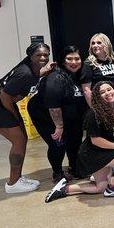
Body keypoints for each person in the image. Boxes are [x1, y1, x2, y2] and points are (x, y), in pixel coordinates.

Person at [45, 81, 114, 202]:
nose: (107, 93)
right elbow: (96, 141)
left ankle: (65, 189)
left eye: (109, 89)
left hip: (105, 152)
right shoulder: (94, 114)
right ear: (97, 97)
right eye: (102, 92)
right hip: (93, 155)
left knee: (100, 187)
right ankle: (113, 187)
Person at [0, 43, 55, 193]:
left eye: (46, 55)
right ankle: (13, 183)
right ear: (30, 56)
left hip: (2, 103)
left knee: (22, 139)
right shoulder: (25, 73)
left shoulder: (32, 69)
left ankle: (17, 178)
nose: (43, 57)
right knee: (19, 139)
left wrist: (45, 71)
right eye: (38, 55)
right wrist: (16, 117)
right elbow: (5, 96)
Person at [28, 46, 87, 182]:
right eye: (69, 59)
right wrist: (59, 127)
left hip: (68, 114)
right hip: (46, 116)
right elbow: (53, 106)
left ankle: (74, 167)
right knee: (58, 143)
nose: (74, 62)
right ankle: (58, 173)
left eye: (77, 59)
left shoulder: (79, 75)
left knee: (75, 140)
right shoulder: (55, 78)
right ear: (63, 60)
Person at [82, 33, 114, 106]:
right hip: (102, 101)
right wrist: (94, 109)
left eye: (99, 43)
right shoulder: (89, 64)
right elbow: (86, 90)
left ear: (106, 44)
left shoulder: (112, 61)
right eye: (93, 43)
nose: (95, 45)